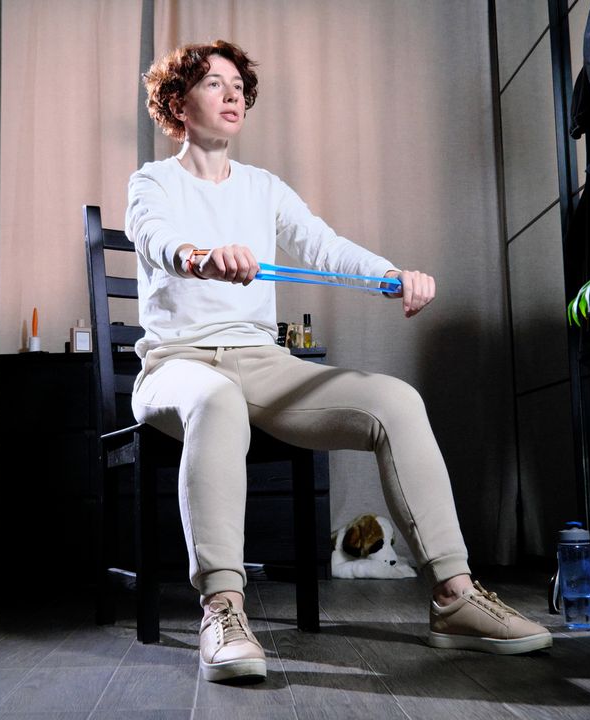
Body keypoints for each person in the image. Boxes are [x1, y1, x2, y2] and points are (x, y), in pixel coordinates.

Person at [125, 40, 551, 684]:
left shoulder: (263, 188)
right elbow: (151, 235)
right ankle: (223, 609)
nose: (234, 93)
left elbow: (322, 245)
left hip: (260, 362)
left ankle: (454, 596)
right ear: (178, 103)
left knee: (396, 401)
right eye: (215, 84)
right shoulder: (152, 181)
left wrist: (390, 275)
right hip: (177, 365)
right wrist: (198, 256)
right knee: (214, 400)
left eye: (239, 84)